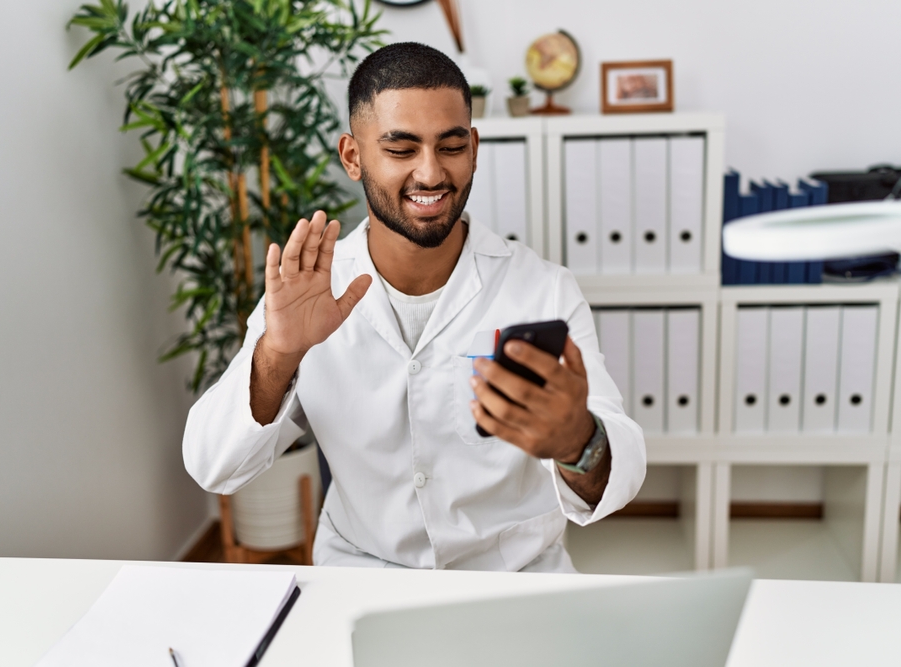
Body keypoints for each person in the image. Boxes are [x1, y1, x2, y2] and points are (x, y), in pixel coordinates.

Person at [183, 42, 646, 572]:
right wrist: (277, 355)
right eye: (401, 150)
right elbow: (211, 464)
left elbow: (623, 470)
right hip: (360, 575)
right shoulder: (306, 291)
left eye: (450, 146)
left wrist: (578, 441)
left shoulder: (544, 288)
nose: (430, 174)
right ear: (353, 157)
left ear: (473, 147)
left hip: (515, 581)